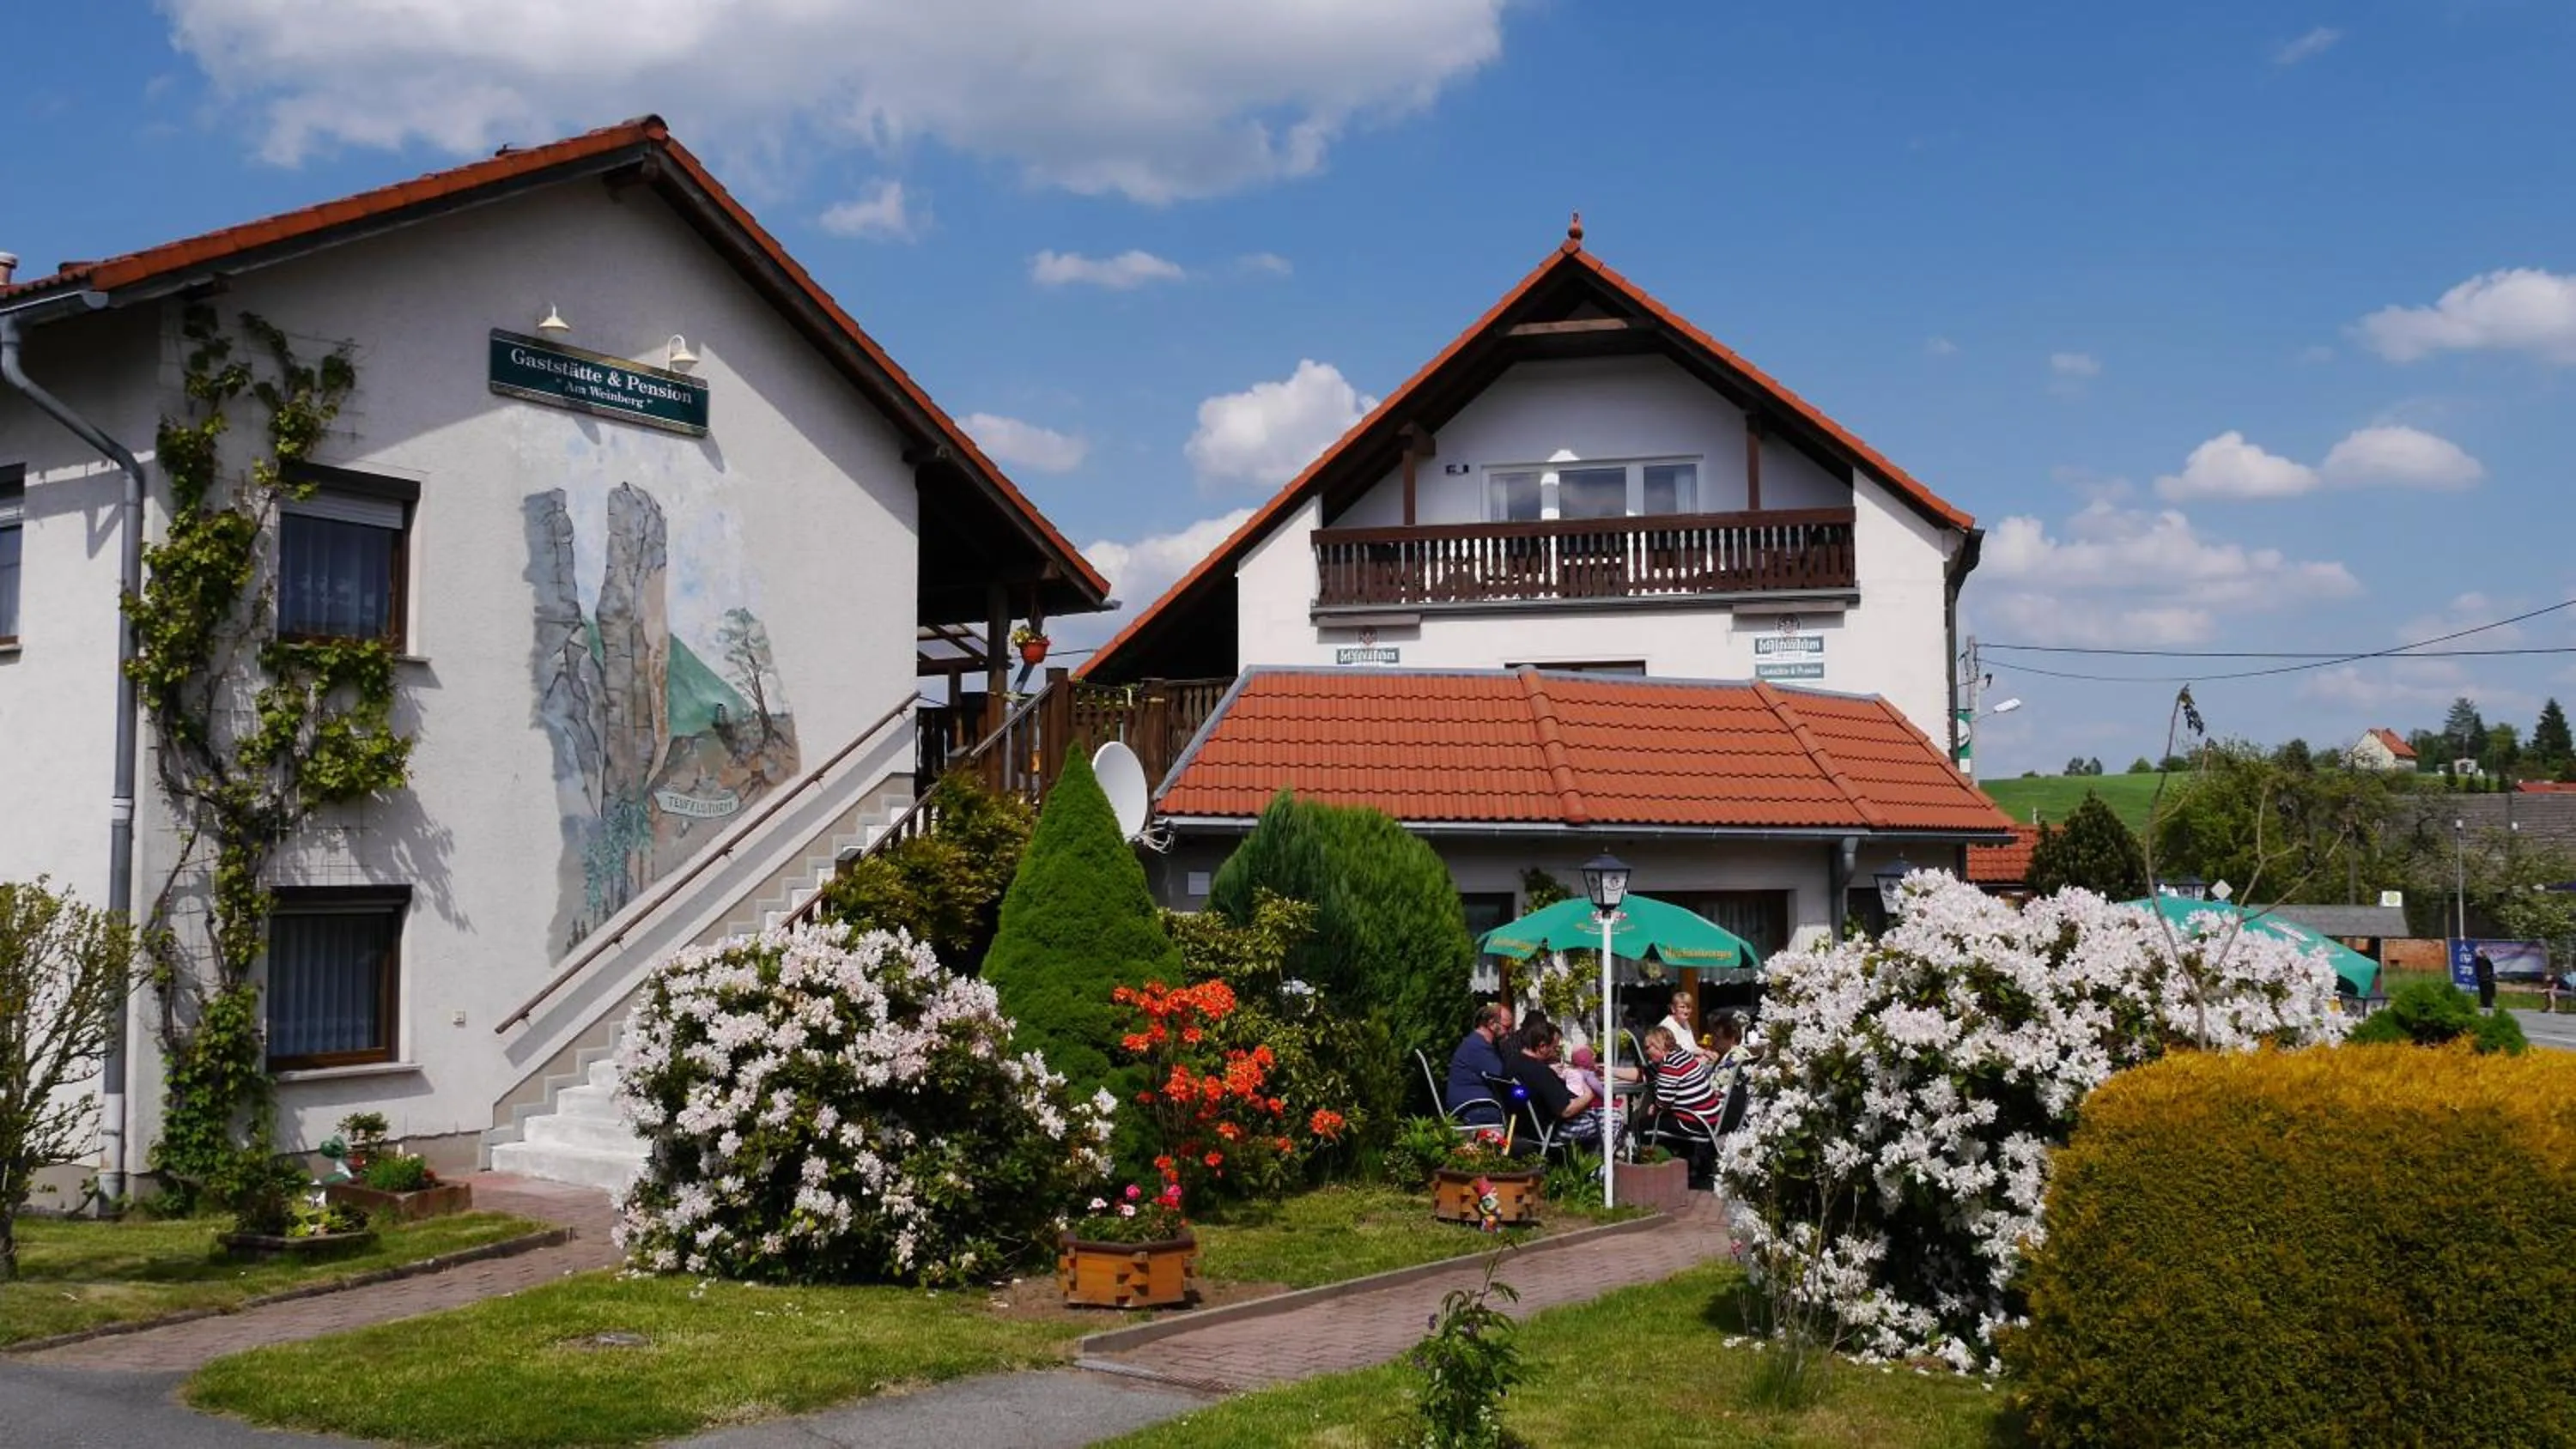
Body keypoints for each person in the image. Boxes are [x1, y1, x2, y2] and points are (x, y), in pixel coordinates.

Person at [1502, 1018, 1600, 1143]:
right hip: (1550, 1130)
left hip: (1522, 1127)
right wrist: (1589, 1094)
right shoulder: (1540, 1072)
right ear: (1542, 1046)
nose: (1555, 1053)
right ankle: (1597, 1161)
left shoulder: (1512, 1063)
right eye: (1554, 1048)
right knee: (1613, 1118)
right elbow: (1566, 1110)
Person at [1444, 1001, 1513, 1125]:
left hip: (1476, 1106)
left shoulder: (1480, 1044)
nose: (1508, 1034)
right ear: (1492, 1024)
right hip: (1475, 1109)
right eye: (1507, 1028)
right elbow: (1503, 1076)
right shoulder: (1478, 1047)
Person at [2474, 949, 2497, 1015]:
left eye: (2477, 953)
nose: (2476, 954)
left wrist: (2490, 976)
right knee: (2482, 991)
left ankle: (2488, 1004)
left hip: (2487, 978)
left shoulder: (2486, 960)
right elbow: (2478, 970)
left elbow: (2491, 968)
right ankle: (2483, 1003)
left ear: (2481, 953)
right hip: (2481, 979)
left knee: (2487, 992)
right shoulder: (2477, 960)